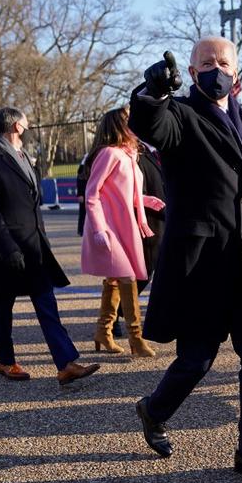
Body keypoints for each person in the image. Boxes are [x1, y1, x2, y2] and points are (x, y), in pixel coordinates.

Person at [129, 39, 242, 483]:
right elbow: (152, 125)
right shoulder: (181, 115)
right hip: (201, 264)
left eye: (223, 63)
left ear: (237, 72)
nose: (216, 69)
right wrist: (151, 92)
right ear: (190, 73)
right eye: (206, 63)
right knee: (197, 360)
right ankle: (153, 410)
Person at [0, 107, 99, 386]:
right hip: (5, 248)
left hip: (33, 245)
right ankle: (6, 362)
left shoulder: (24, 157)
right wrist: (7, 248)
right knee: (3, 306)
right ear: (17, 126)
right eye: (26, 123)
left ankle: (66, 364)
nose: (29, 127)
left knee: (46, 301)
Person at [82, 106, 165, 357]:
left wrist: (146, 201)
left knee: (115, 280)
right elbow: (92, 194)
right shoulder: (109, 153)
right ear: (120, 125)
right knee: (128, 279)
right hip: (110, 228)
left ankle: (103, 332)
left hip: (125, 225)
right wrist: (98, 229)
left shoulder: (128, 154)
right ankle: (135, 339)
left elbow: (125, 192)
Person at [75, 152, 90, 236]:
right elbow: (79, 182)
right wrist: (80, 194)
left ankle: (84, 230)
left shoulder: (87, 168)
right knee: (83, 213)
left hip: (88, 192)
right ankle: (81, 230)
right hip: (83, 194)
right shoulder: (82, 169)